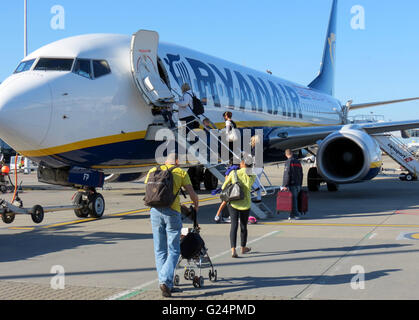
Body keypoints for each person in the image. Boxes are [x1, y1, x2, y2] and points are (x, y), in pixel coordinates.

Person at [145, 153, 199, 297]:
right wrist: (196, 205)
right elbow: (192, 194)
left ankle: (166, 284)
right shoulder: (180, 172)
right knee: (174, 250)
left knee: (159, 250)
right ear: (176, 162)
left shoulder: (152, 171)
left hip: (154, 212)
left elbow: (150, 192)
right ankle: (164, 280)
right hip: (172, 213)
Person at [221, 153, 255, 258]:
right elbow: (249, 186)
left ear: (243, 163)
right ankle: (243, 247)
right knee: (244, 226)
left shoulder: (234, 173)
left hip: (233, 203)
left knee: (234, 225)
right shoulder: (252, 174)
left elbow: (223, 187)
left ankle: (233, 250)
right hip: (245, 203)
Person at [281, 149, 303, 220]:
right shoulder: (297, 161)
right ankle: (291, 215)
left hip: (292, 184)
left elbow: (287, 174)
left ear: (286, 154)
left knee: (293, 200)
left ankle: (296, 214)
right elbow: (301, 173)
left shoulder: (288, 162)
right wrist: (300, 184)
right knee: (294, 199)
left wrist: (284, 185)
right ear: (292, 153)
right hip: (298, 184)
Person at [250, 135, 264, 203]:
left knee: (249, 179)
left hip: (256, 166)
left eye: (252, 140)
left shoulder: (255, 148)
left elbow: (254, 157)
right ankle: (259, 198)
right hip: (260, 166)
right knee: (257, 182)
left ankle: (256, 188)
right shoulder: (260, 147)